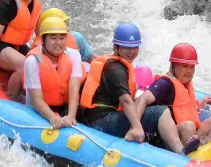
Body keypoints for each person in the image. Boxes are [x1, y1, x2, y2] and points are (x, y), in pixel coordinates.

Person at [80, 23, 200, 155]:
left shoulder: (116, 64)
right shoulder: (116, 69)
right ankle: (180, 152)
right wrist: (135, 128)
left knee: (150, 111)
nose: (132, 52)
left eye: (135, 47)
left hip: (100, 117)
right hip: (101, 121)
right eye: (127, 47)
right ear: (115, 46)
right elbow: (126, 101)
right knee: (159, 111)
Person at [136, 43, 211, 145]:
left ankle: (204, 154)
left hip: (188, 133)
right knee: (189, 126)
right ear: (173, 66)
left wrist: (200, 104)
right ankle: (188, 157)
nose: (189, 71)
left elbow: (185, 107)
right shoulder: (165, 84)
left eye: (192, 67)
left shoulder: (185, 83)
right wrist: (135, 126)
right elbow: (142, 99)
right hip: (169, 136)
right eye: (184, 66)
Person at [24, 17, 82, 129]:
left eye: (62, 37)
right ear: (43, 40)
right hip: (38, 110)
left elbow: (74, 88)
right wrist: (53, 118)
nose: (58, 42)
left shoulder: (74, 55)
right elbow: (37, 100)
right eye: (53, 38)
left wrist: (71, 116)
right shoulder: (33, 61)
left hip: (64, 107)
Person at [32, 8, 96, 63]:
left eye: (67, 23)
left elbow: (91, 59)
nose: (67, 28)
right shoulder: (37, 51)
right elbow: (39, 66)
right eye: (63, 24)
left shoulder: (76, 37)